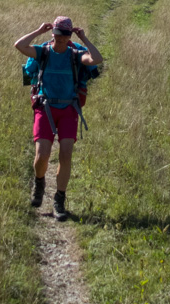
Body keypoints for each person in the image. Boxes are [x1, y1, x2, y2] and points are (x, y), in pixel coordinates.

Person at [14, 15, 103, 219]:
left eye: (64, 38)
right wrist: (38, 31)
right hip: (45, 108)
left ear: (69, 36)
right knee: (42, 156)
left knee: (66, 154)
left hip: (69, 110)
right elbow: (19, 45)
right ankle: (39, 182)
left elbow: (96, 59)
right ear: (52, 34)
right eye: (57, 37)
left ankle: (59, 200)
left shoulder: (75, 54)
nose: (60, 41)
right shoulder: (43, 51)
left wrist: (84, 38)